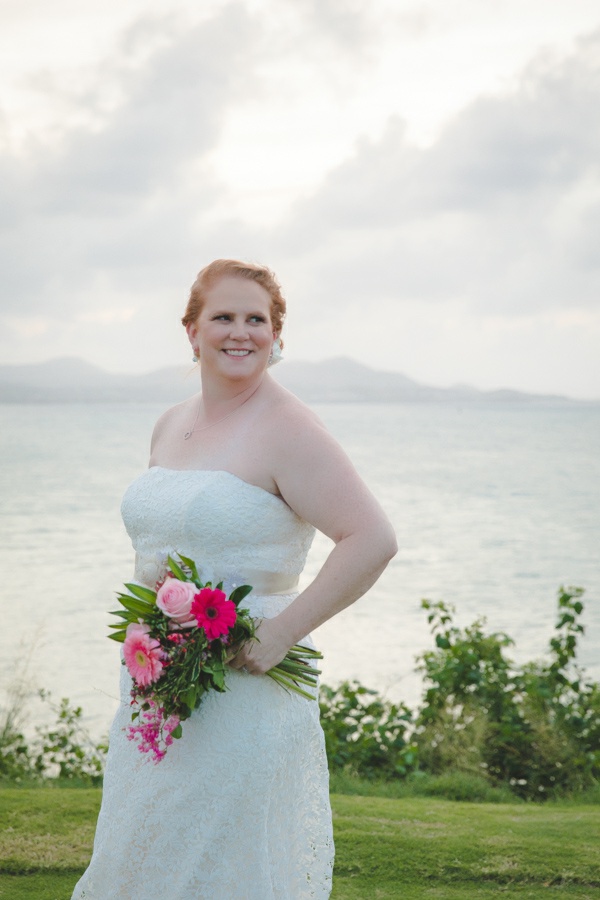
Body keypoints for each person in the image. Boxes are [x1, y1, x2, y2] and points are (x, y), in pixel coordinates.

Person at [72, 259, 397, 899]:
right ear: (191, 331)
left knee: (219, 856)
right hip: (159, 686)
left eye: (258, 320)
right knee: (148, 843)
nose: (240, 332)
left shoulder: (289, 428)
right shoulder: (170, 422)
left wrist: (282, 632)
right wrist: (149, 633)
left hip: (247, 684)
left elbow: (372, 540)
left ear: (277, 336)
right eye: (223, 317)